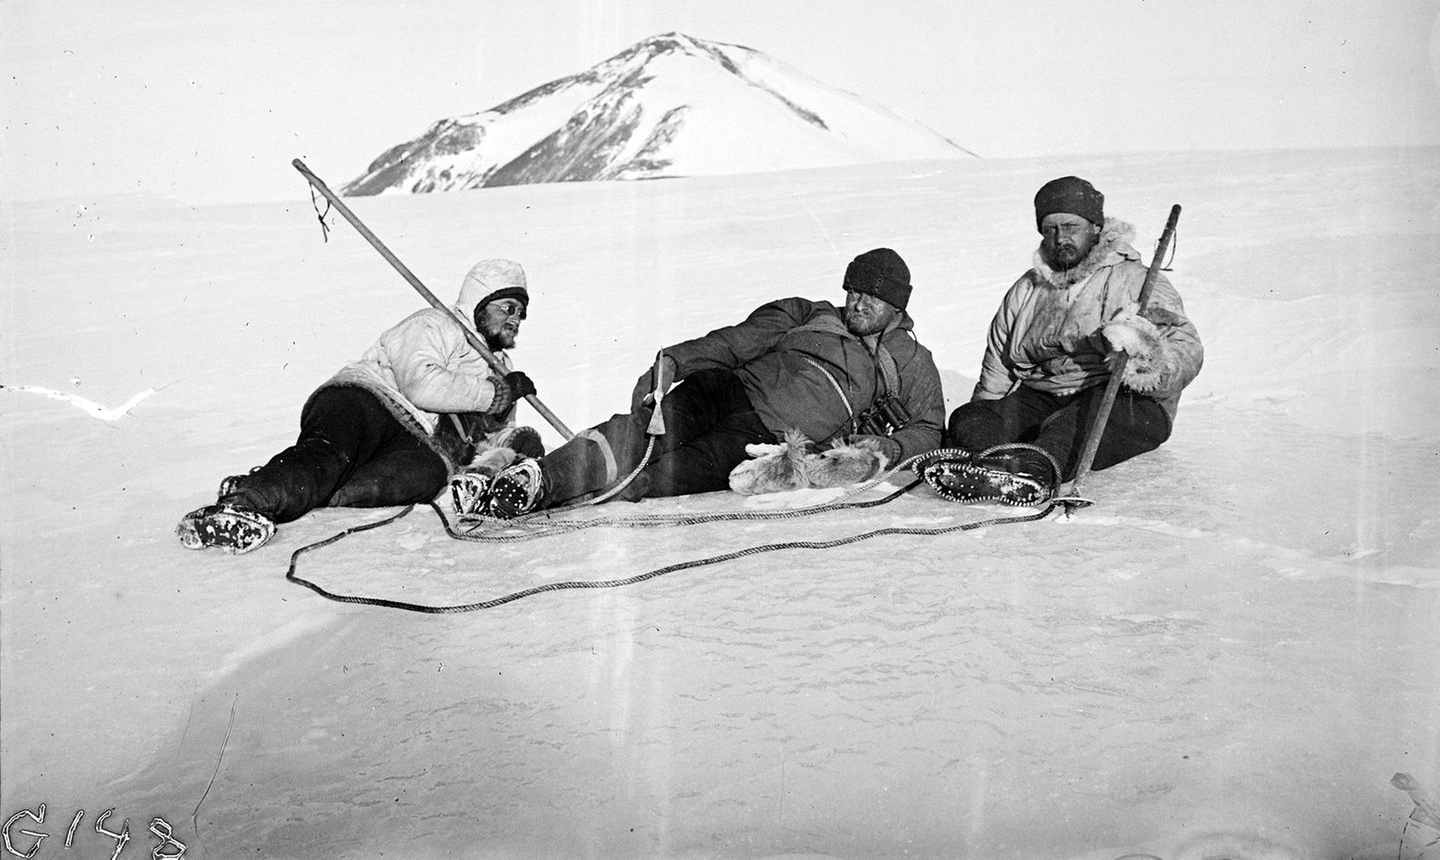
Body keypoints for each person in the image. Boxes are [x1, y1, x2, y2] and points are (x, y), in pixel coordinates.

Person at [465, 248, 945, 519]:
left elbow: (929, 428)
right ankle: (538, 481)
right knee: (641, 435)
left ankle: (541, 492)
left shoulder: (911, 362)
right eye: (853, 291)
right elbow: (736, 341)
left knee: (664, 475)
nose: (857, 304)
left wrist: (882, 448)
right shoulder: (811, 313)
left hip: (768, 440)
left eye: (871, 298)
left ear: (897, 306)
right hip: (726, 390)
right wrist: (675, 361)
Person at [177, 259, 544, 553]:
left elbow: (485, 439)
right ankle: (241, 505)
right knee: (330, 457)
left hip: (418, 440)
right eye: (508, 307)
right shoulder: (437, 325)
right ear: (479, 303)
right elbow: (421, 385)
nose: (516, 319)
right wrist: (494, 394)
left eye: (521, 314)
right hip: (368, 399)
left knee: (425, 478)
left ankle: (272, 483)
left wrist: (512, 443)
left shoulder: (501, 371)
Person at [942, 175, 1203, 495]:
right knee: (970, 417)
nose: (1060, 237)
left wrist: (1146, 353)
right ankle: (988, 467)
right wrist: (988, 418)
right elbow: (999, 358)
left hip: (1121, 401)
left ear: (1095, 227)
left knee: (1068, 428)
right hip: (1045, 396)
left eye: (1070, 226)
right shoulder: (1029, 287)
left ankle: (1032, 475)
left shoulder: (1134, 280)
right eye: (1049, 228)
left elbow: (1187, 349)